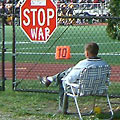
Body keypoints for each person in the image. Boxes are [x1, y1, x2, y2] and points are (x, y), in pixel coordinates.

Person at [37, 42, 109, 113]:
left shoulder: (82, 64)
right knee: (68, 71)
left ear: (87, 53)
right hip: (99, 88)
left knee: (62, 79)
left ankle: (62, 109)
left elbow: (69, 79)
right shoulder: (104, 64)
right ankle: (50, 79)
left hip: (81, 89)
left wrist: (64, 78)